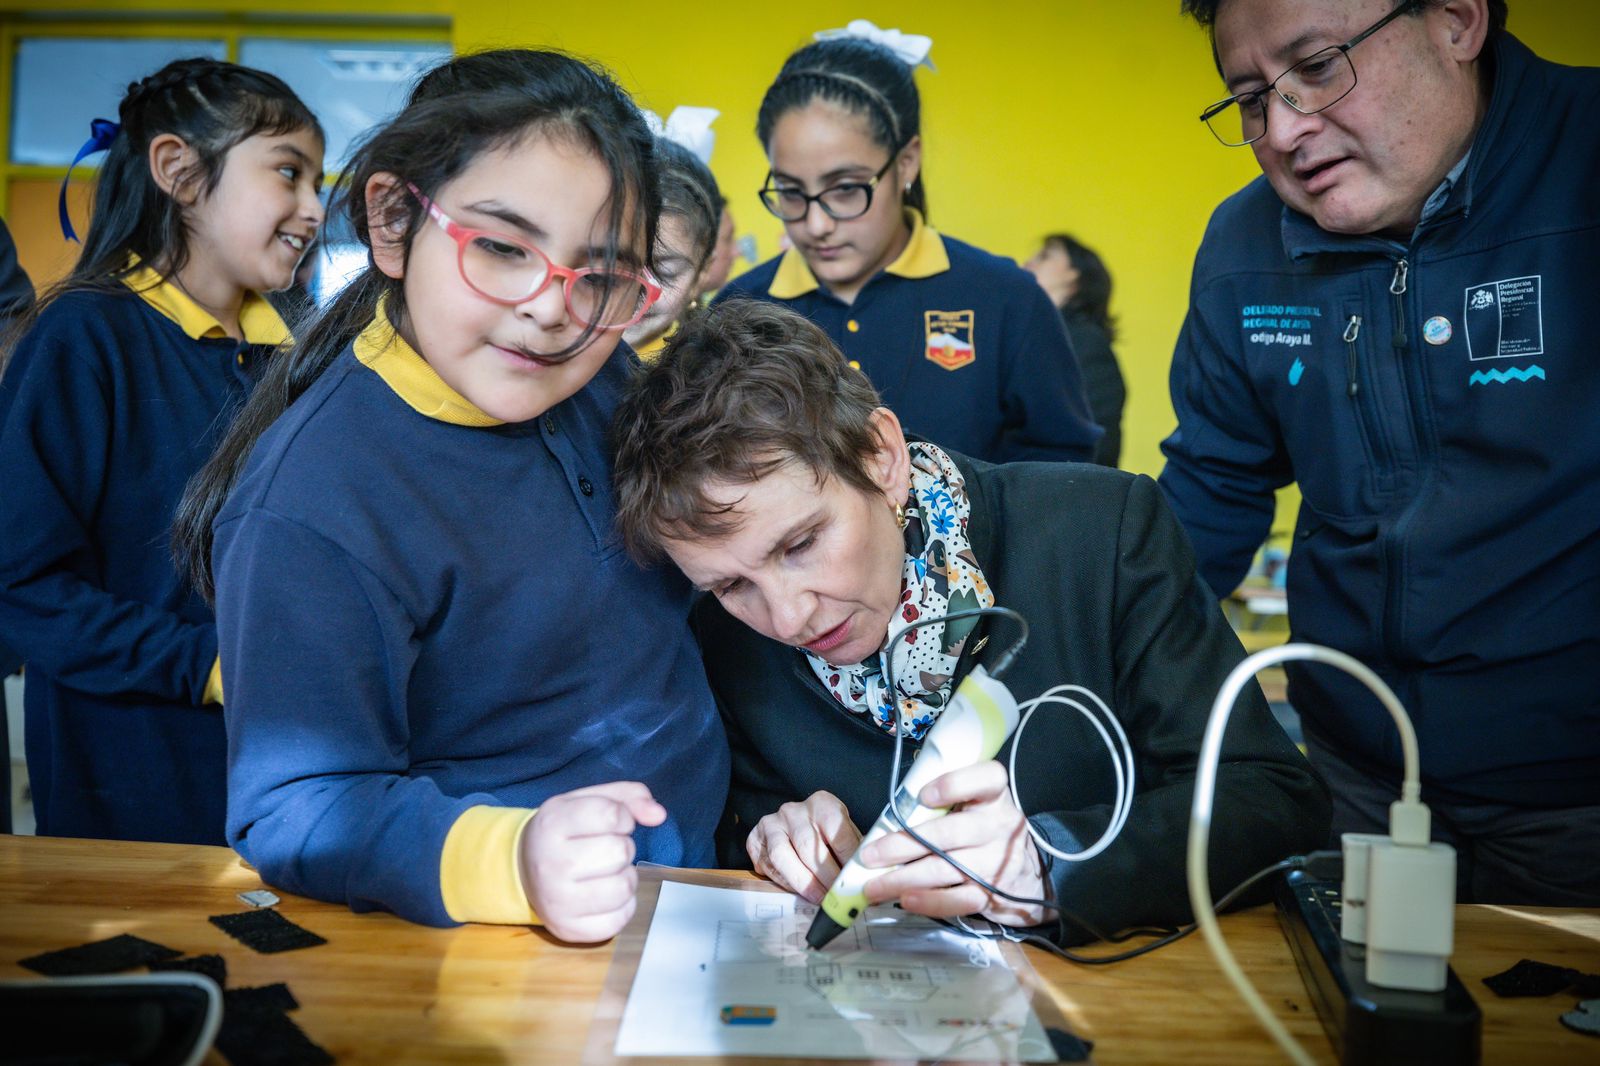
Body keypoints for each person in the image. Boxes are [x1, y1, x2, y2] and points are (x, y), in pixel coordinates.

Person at [172, 50, 727, 942]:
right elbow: (294, 809)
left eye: (603, 275)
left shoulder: (592, 376)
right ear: (393, 223)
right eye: (503, 249)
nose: (553, 308)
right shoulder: (310, 507)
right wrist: (513, 862)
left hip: (704, 882)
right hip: (524, 933)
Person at [611, 299, 1329, 942]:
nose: (788, 615)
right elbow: (744, 834)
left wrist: (1053, 864)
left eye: (801, 544)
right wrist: (774, 838)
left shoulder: (1101, 533)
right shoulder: (722, 635)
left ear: (880, 456)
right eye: (733, 583)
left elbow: (1273, 801)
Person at [1160, 0, 1600, 905]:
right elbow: (1206, 500)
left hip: (1577, 795)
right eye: (1249, 99)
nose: (1283, 131)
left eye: (1317, 66)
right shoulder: (1243, 248)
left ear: (1457, 19)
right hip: (1354, 779)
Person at [0, 59, 324, 845]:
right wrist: (206, 666)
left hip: (295, 768)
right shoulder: (84, 338)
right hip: (134, 778)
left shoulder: (306, 357)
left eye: (320, 184)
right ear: (179, 171)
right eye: (289, 173)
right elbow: (21, 586)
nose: (313, 210)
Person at [717, 23, 1099, 465]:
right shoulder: (738, 312)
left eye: (845, 189)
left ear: (906, 162)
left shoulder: (1006, 299)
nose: (817, 224)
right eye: (791, 192)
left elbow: (1065, 464)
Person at [1024, 234, 1126, 467]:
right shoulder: (1029, 334)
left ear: (1075, 275)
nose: (1027, 262)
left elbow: (1096, 439)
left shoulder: (1086, 342)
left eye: (1044, 256)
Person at [623, 137, 721, 358]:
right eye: (617, 264)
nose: (639, 291)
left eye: (664, 273)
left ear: (701, 274)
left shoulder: (702, 376)